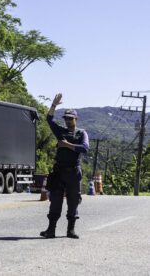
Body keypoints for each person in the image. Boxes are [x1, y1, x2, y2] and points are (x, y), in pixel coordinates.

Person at [40, 93, 89, 239]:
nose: (68, 121)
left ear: (76, 119)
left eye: (70, 118)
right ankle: (51, 230)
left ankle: (71, 230)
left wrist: (67, 145)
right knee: (55, 201)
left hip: (74, 173)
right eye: (66, 118)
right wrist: (54, 105)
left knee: (73, 201)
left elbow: (85, 148)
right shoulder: (61, 131)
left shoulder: (81, 133)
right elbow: (49, 119)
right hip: (59, 172)